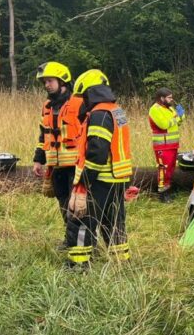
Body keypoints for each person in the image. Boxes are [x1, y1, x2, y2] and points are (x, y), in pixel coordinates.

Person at [65, 69, 133, 268]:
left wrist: (85, 181)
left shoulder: (99, 115)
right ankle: (122, 262)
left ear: (90, 93)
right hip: (118, 178)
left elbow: (97, 151)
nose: (82, 102)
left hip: (100, 179)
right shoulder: (116, 111)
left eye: (83, 97)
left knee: (81, 219)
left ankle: (78, 264)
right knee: (113, 222)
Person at [32, 61, 83, 249]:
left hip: (75, 165)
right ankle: (70, 240)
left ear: (62, 81)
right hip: (55, 165)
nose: (46, 85)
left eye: (50, 81)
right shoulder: (47, 106)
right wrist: (38, 159)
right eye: (44, 82)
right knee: (63, 203)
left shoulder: (78, 103)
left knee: (76, 206)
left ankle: (82, 244)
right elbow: (43, 135)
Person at [148, 87, 184, 202]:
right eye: (169, 98)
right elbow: (163, 125)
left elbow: (179, 122)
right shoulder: (154, 109)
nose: (171, 100)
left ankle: (168, 190)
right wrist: (176, 118)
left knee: (170, 169)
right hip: (162, 146)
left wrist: (181, 115)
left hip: (172, 145)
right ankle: (162, 194)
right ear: (162, 98)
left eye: (171, 97)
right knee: (163, 169)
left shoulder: (170, 108)